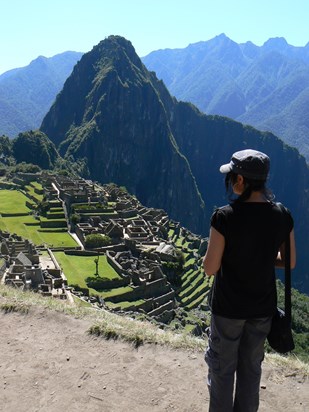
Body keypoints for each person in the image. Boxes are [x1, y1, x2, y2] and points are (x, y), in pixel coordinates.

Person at [203, 149, 296, 412]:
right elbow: (288, 262)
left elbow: (210, 268)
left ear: (241, 181)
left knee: (222, 372)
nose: (231, 181)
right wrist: (264, 259)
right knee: (251, 371)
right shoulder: (282, 215)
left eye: (232, 176)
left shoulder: (224, 217)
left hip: (228, 310)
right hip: (262, 310)